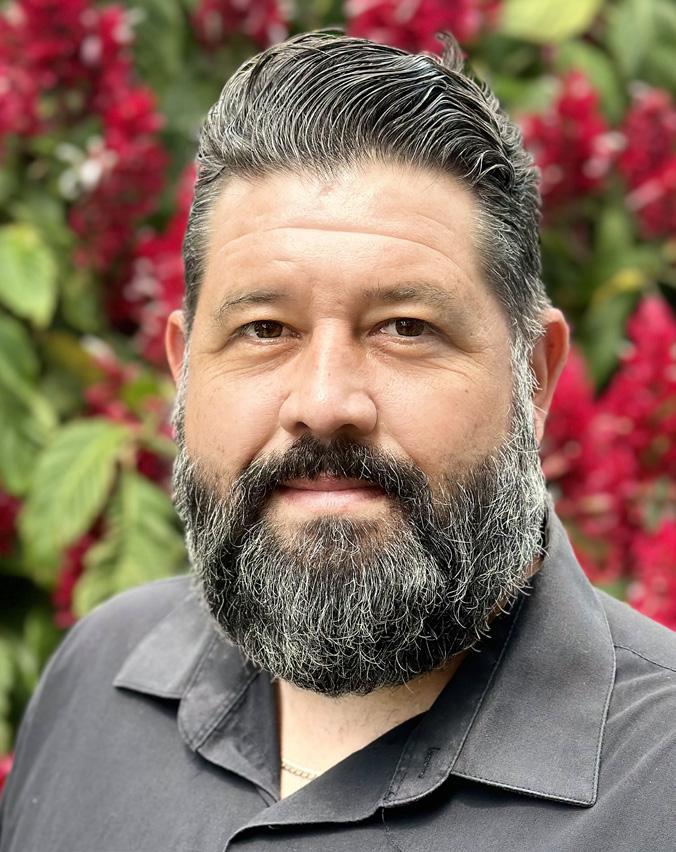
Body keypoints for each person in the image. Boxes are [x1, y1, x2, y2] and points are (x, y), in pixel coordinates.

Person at [1, 31, 674, 852]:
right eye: (264, 329)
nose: (324, 403)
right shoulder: (96, 679)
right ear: (183, 374)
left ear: (533, 378)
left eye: (405, 327)